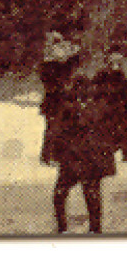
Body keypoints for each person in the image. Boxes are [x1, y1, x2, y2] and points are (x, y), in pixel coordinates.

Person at [47, 73, 116, 234]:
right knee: (91, 193)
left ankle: (63, 227)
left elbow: (55, 131)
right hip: (89, 159)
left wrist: (53, 153)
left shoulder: (69, 108)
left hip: (75, 159)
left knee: (61, 193)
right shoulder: (100, 108)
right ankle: (94, 228)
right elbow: (112, 132)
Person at [37, 32, 81, 164]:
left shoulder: (58, 65)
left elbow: (71, 67)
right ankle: (48, 156)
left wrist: (73, 55)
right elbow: (52, 81)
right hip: (54, 101)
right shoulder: (49, 66)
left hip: (59, 100)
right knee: (53, 128)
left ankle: (53, 155)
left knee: (60, 128)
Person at [92, 49, 127, 162]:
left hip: (121, 108)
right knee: (109, 132)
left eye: (119, 60)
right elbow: (94, 90)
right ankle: (108, 154)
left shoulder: (121, 75)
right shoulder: (102, 74)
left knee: (124, 131)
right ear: (109, 60)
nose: (117, 62)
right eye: (114, 59)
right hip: (107, 108)